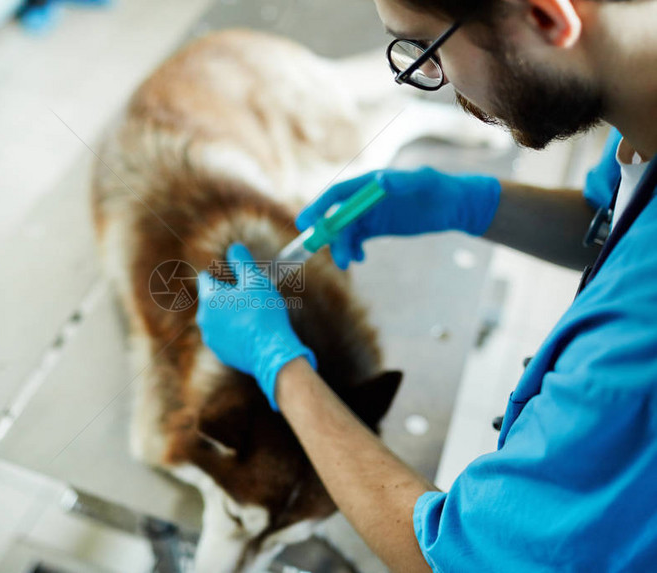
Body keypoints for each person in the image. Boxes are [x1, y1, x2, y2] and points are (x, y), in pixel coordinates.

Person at [195, 0, 657, 571]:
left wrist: (280, 367)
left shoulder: (637, 351)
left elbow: (456, 558)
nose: (447, 90)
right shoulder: (644, 103)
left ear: (546, 18)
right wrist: (459, 201)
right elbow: (615, 219)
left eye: (426, 51)